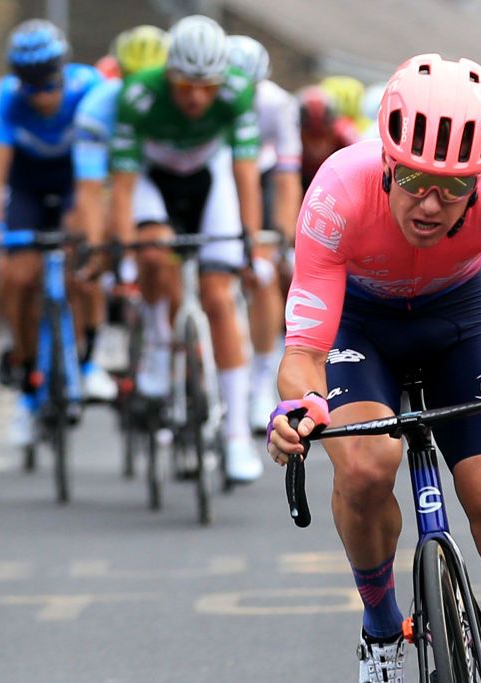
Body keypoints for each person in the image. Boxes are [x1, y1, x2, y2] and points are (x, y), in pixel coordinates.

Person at [268, 54, 481, 683]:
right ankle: (380, 624)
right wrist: (300, 409)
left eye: (454, 187)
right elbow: (304, 357)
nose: (432, 203)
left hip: (460, 319)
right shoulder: (337, 190)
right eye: (416, 181)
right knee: (369, 466)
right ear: (388, 163)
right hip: (360, 327)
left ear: (478, 183)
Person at [109, 15, 265, 483]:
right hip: (154, 183)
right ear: (168, 75)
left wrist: (250, 244)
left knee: (219, 296)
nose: (197, 97)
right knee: (153, 253)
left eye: (207, 87)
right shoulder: (138, 94)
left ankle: (237, 435)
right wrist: (124, 257)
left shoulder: (238, 92)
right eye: (185, 86)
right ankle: (159, 346)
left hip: (207, 181)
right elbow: (122, 186)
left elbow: (244, 175)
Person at [0, 19, 102, 444]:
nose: (43, 98)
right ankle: (27, 380)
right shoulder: (9, 98)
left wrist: (88, 232)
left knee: (82, 265)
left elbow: (94, 180)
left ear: (62, 73)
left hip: (74, 185)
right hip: (27, 188)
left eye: (49, 85)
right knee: (16, 276)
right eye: (33, 89)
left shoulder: (88, 87)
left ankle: (86, 362)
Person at [73, 25, 170, 381]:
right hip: (111, 181)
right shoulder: (99, 106)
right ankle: (108, 328)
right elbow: (89, 189)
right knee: (91, 240)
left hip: (155, 181)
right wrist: (98, 246)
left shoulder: (176, 104)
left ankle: (161, 333)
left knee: (161, 252)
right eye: (131, 77)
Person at [226, 34, 302, 432]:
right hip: (222, 170)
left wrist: (284, 236)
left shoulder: (276, 103)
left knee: (264, 271)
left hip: (265, 174)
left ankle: (260, 377)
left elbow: (288, 177)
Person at [297, 85, 359, 190]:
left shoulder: (343, 131)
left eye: (322, 134)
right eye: (311, 135)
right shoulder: (293, 135)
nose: (317, 143)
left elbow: (360, 155)